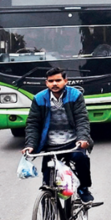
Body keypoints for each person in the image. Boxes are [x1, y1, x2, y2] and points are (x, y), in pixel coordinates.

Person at [21, 67, 95, 202]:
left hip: (73, 142)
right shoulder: (39, 99)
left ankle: (83, 189)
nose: (54, 84)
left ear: (65, 81)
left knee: (81, 159)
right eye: (51, 81)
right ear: (46, 83)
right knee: (47, 184)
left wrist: (82, 138)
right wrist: (30, 145)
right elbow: (33, 124)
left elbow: (82, 120)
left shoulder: (75, 95)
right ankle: (48, 216)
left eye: (58, 80)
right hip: (50, 146)